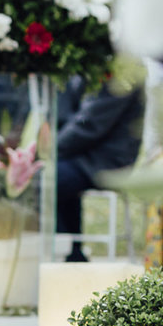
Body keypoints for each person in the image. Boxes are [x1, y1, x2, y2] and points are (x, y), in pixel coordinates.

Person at [56, 74, 143, 262]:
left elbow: (90, 126)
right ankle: (70, 253)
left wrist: (48, 152)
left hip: (106, 161)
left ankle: (72, 259)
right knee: (51, 177)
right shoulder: (89, 67)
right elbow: (68, 117)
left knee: (46, 181)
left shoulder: (124, 72)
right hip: (82, 155)